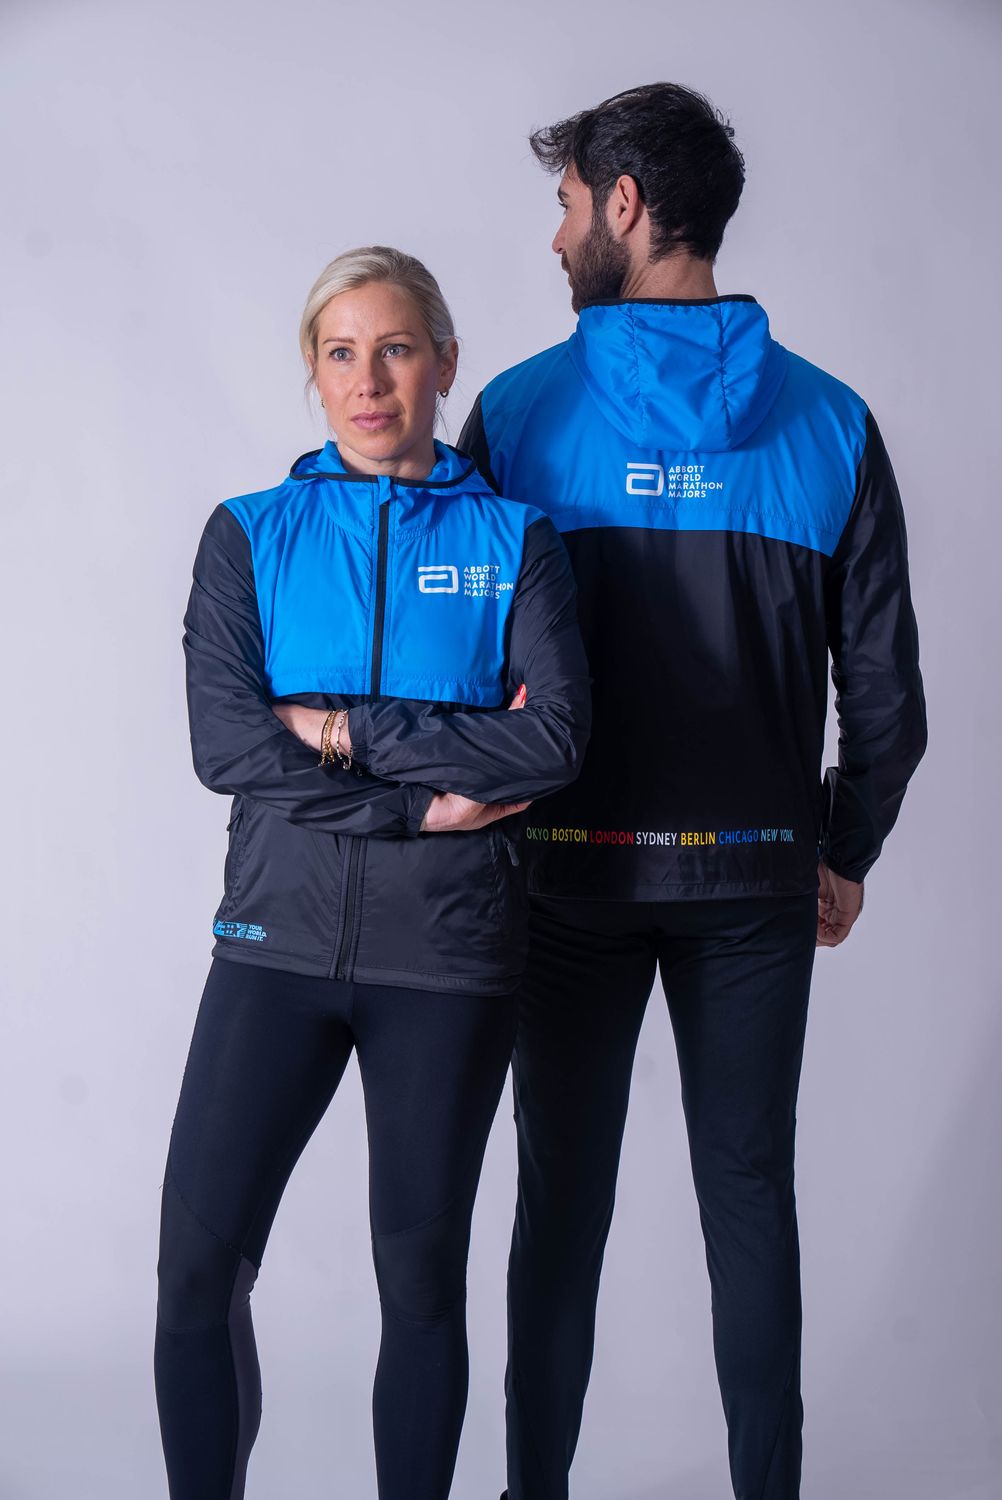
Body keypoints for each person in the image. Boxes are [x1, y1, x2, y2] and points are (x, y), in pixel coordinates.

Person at [459, 83, 928, 1500]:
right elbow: (887, 696)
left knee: (559, 1208)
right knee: (749, 1200)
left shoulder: (516, 418)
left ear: (624, 204)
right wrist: (842, 844)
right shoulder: (832, 424)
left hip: (564, 877)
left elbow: (455, 665)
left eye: (565, 205)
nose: (554, 237)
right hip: (755, 878)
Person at [153, 245, 591, 1500]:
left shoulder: (516, 541)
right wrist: (424, 800)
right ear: (314, 369)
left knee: (421, 1283)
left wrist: (342, 729)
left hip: (446, 962)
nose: (369, 381)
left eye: (396, 349)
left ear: (444, 362)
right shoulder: (250, 535)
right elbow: (229, 746)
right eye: (341, 353)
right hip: (274, 949)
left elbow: (556, 740)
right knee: (196, 1274)